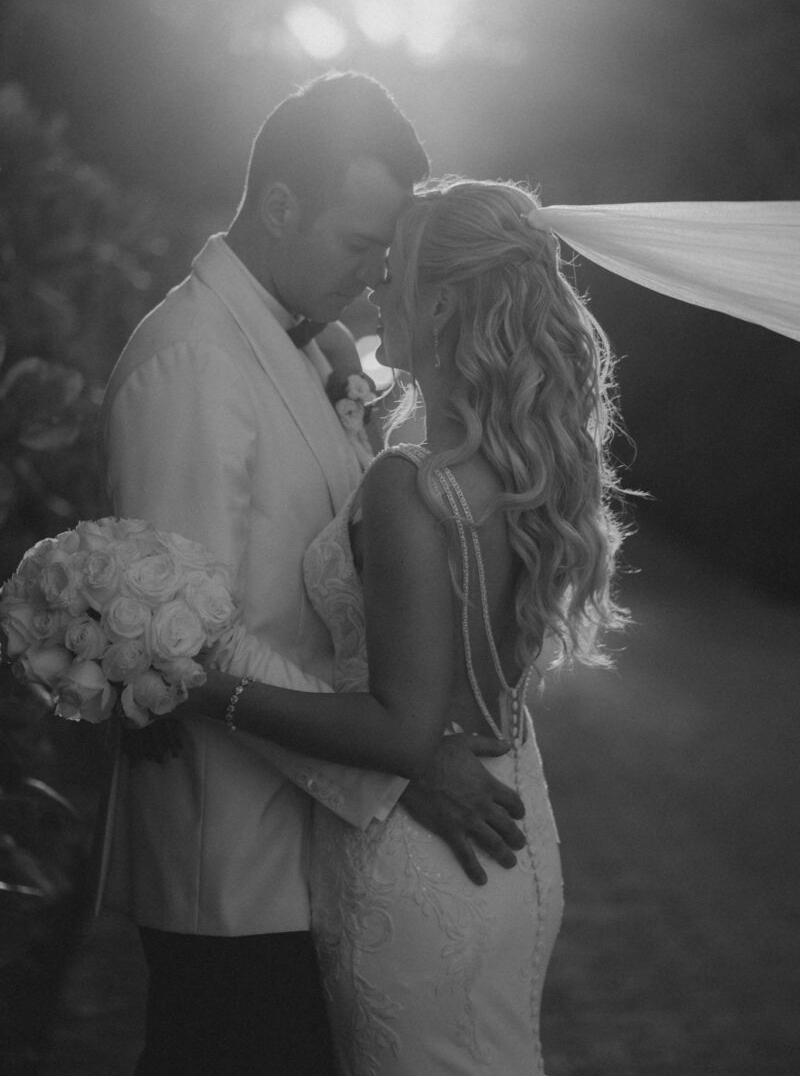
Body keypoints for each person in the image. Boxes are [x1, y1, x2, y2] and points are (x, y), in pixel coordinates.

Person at [100, 75, 528, 1076]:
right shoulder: (192, 366)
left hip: (308, 858)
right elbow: (186, 630)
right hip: (232, 874)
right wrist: (401, 749)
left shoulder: (299, 349)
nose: (374, 277)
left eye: (385, 254)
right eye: (357, 246)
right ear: (281, 205)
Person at [183, 177, 629, 1075]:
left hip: (423, 862)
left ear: (448, 302)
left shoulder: (411, 486)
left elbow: (402, 728)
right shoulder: (520, 473)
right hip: (513, 836)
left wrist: (209, 689)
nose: (377, 292)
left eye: (399, 276)